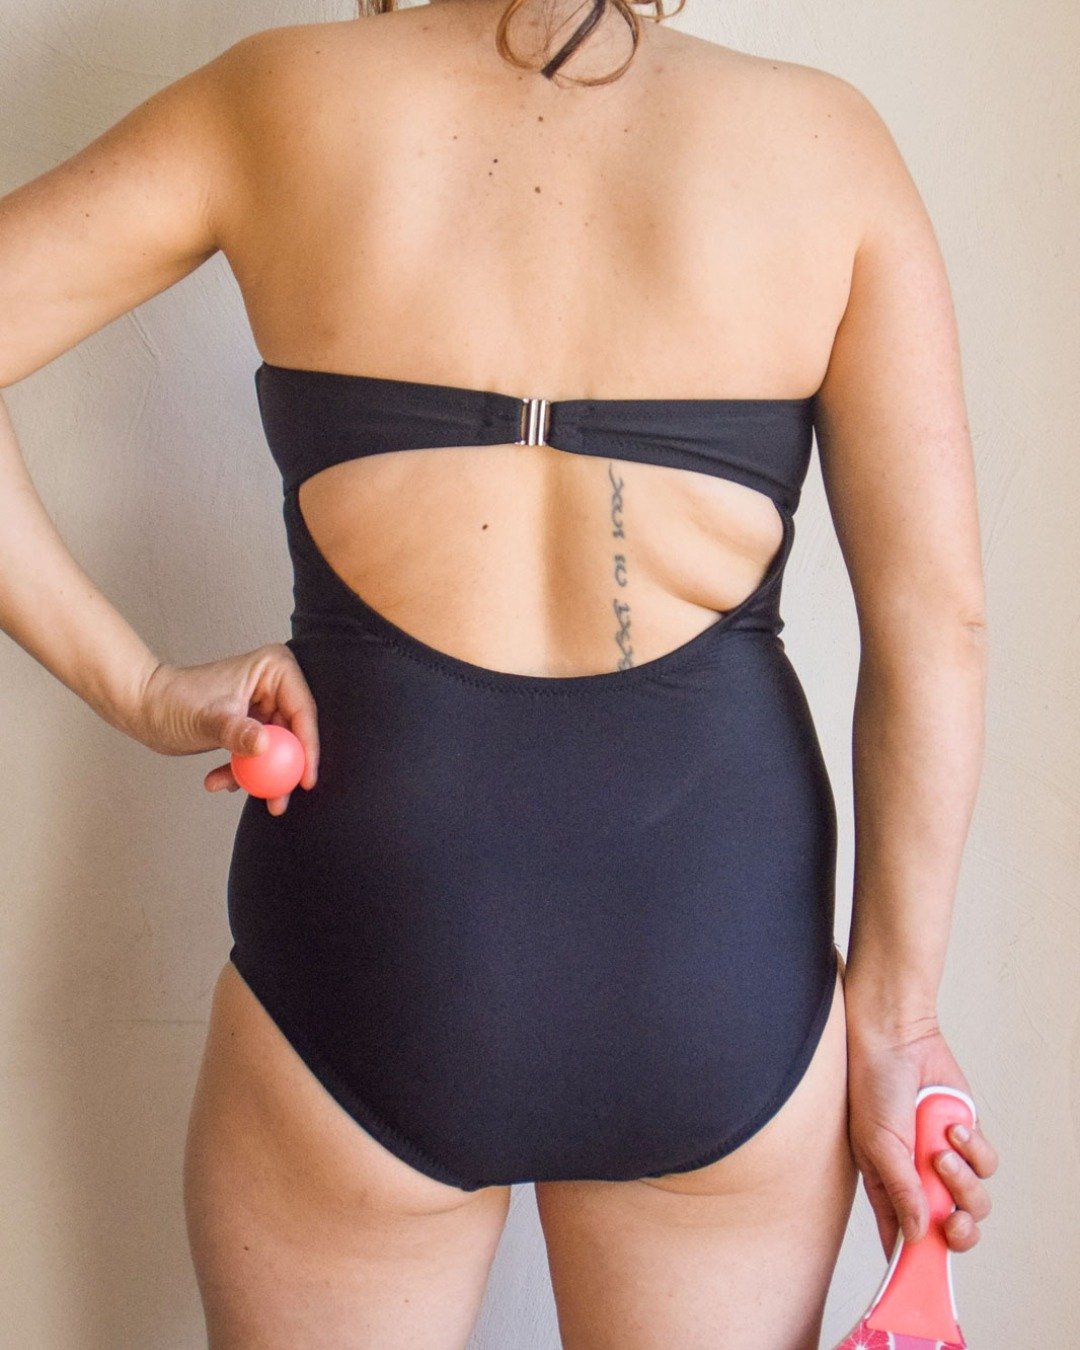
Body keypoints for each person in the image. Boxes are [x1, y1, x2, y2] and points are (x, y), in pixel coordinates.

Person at [0, 0, 999, 1345]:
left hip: (371, 940)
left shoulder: (277, 97)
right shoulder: (829, 145)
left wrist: (138, 686)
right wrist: (897, 1022)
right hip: (716, 960)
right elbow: (937, 622)